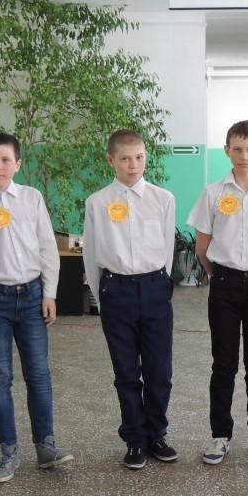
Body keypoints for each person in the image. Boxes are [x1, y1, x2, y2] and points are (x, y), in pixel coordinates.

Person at [0, 131, 71, 482]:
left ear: (17, 164)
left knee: (39, 374)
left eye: (5, 160)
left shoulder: (32, 199)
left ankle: (46, 446)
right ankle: (8, 451)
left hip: (32, 297)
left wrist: (50, 293)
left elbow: (47, 248)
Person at [188, 120, 248, 465]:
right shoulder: (213, 193)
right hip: (224, 284)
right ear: (227, 150)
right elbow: (203, 247)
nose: (244, 155)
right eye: (237, 148)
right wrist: (219, 275)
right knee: (224, 363)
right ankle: (220, 435)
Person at [83, 129, 176, 469]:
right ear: (111, 160)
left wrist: (160, 285)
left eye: (138, 157)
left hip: (154, 288)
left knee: (159, 370)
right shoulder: (97, 202)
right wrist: (102, 297)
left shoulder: (163, 199)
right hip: (116, 290)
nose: (133, 164)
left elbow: (167, 248)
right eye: (124, 158)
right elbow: (91, 253)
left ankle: (156, 434)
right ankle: (135, 439)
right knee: (125, 371)